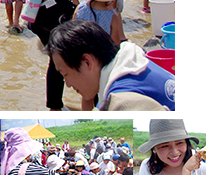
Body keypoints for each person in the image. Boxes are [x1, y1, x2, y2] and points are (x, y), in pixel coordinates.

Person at [45, 20, 175, 111]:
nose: (67, 84)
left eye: (65, 74)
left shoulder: (122, 98)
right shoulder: (133, 58)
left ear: (87, 62)